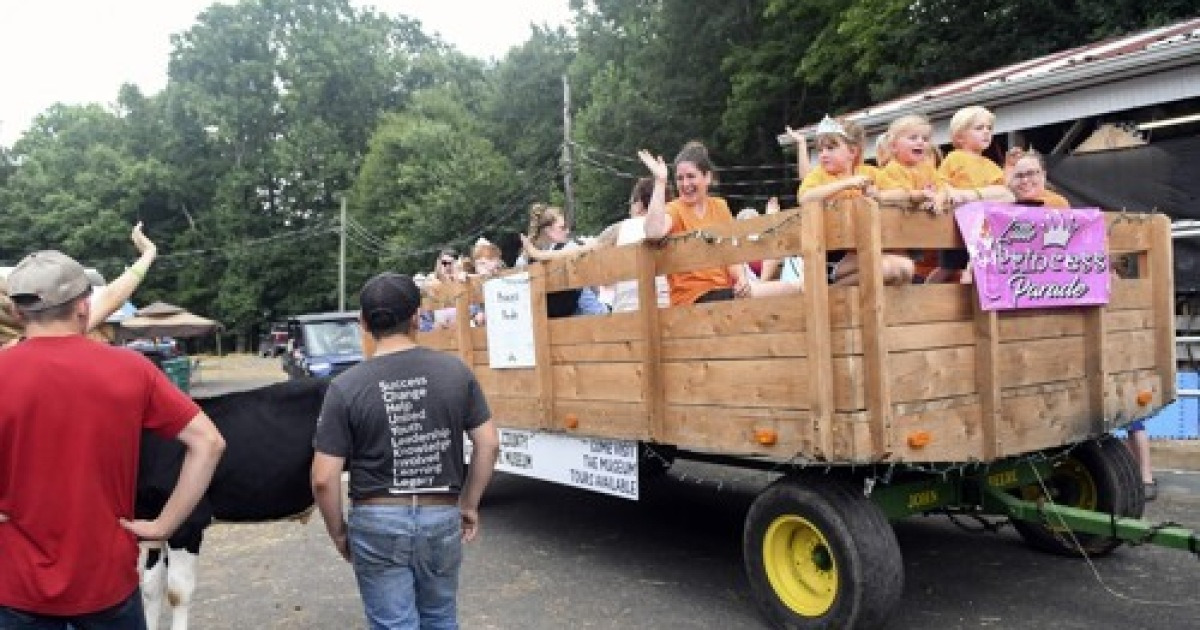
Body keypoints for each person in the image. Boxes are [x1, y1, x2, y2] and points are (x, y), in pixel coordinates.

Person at [0, 249, 225, 629]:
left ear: (19, 313)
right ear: (84, 307)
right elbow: (209, 443)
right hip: (107, 583)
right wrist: (163, 526)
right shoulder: (130, 368)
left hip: (16, 589)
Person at [311, 272, 500, 630]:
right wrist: (469, 505)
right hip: (441, 515)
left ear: (363, 323)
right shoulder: (455, 372)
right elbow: (488, 444)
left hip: (377, 521)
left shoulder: (344, 387)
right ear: (416, 316)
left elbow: (323, 478)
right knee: (441, 619)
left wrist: (338, 532)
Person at [520, 178, 670, 313]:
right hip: (671, 310)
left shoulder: (621, 228)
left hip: (629, 315)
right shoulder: (672, 224)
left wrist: (538, 254)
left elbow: (580, 251)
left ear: (638, 205)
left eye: (630, 204)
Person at [1, 221, 158, 350]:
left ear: (17, 312)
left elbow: (111, 298)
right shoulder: (66, 331)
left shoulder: (10, 357)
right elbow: (111, 298)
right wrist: (148, 254)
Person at [798, 115, 914, 286]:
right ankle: (825, 292)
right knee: (888, 268)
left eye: (830, 148)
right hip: (830, 255)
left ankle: (832, 291)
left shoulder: (868, 173)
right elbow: (805, 197)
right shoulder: (820, 175)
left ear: (852, 152)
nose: (823, 154)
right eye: (820, 150)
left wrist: (879, 196)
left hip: (862, 249)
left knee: (906, 268)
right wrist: (846, 183)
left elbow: (903, 192)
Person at [639, 141, 749, 304]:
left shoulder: (720, 206)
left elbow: (730, 254)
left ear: (707, 177)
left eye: (691, 176)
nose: (685, 184)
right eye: (680, 178)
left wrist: (741, 278)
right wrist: (660, 181)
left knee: (784, 290)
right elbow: (653, 232)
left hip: (722, 293)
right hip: (690, 299)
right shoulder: (675, 209)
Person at [930, 106, 1017, 283]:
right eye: (979, 128)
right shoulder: (955, 157)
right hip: (957, 221)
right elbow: (941, 182)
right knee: (948, 267)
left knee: (975, 262)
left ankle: (971, 289)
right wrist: (949, 193)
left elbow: (1006, 192)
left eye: (989, 128)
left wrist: (1009, 170)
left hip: (983, 224)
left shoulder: (992, 166)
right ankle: (925, 291)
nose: (986, 132)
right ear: (960, 137)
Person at [875, 114, 953, 283]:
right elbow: (901, 195)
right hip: (896, 234)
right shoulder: (892, 170)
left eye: (925, 139)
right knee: (902, 268)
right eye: (913, 138)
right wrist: (922, 196)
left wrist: (938, 200)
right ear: (894, 147)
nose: (920, 142)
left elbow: (942, 187)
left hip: (921, 232)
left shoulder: (928, 168)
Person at [517, 204, 608, 316]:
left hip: (559, 312)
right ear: (548, 230)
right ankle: (602, 313)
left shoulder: (526, 257)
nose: (567, 231)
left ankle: (601, 312)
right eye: (562, 227)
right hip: (552, 314)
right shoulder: (524, 260)